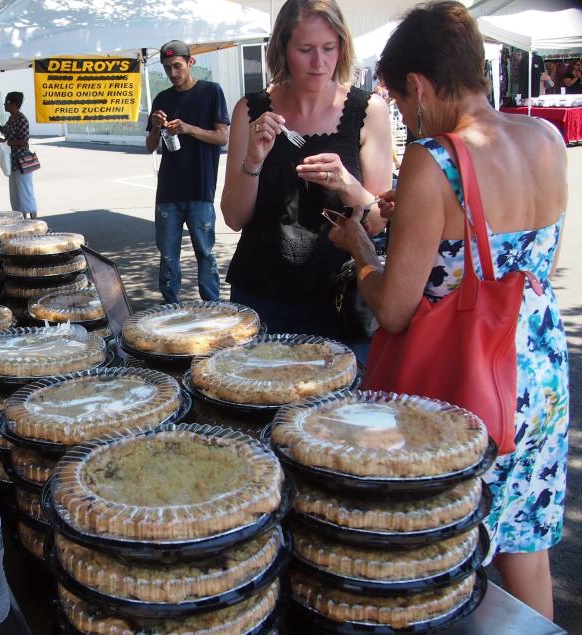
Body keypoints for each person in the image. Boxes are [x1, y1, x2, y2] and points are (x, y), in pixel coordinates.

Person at [329, 1, 567, 619]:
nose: (407, 119)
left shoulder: (433, 162)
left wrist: (361, 253)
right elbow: (524, 268)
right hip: (537, 368)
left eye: (404, 105)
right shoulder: (547, 138)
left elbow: (397, 310)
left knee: (446, 547)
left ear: (419, 85)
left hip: (469, 388)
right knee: (525, 545)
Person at [219, 0, 391, 357]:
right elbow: (234, 217)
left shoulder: (368, 111)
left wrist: (348, 185)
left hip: (341, 302)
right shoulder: (250, 110)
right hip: (262, 297)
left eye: (329, 48)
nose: (319, 63)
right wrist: (254, 159)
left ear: (342, 47)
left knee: (339, 410)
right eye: (306, 50)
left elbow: (376, 221)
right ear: (282, 49)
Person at [144, 40, 229, 304]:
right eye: (167, 68)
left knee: (205, 251)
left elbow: (222, 137)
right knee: (168, 254)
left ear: (191, 63)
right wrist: (157, 128)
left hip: (200, 189)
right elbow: (149, 147)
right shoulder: (162, 98)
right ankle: (170, 307)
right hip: (168, 191)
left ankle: (213, 305)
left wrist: (189, 128)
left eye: (177, 66)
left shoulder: (211, 92)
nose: (172, 73)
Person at [0, 91, 37, 218]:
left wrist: (5, 142)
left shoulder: (22, 120)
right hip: (14, 162)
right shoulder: (12, 118)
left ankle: (33, 223)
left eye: (7, 102)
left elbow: (23, 142)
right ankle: (22, 222)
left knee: (25, 194)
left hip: (22, 162)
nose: (5, 104)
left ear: (14, 104)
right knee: (16, 195)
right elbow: (6, 130)